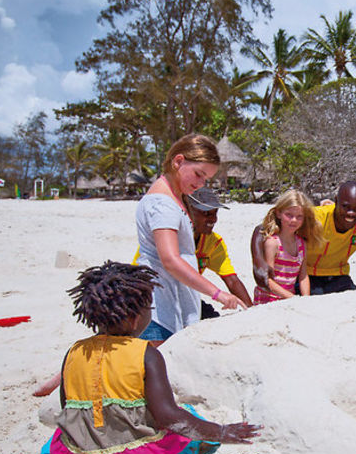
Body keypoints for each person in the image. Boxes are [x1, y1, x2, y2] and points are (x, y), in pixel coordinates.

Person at [0, 261, 260, 454]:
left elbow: (70, 411)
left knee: (58, 441)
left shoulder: (74, 351)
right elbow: (169, 417)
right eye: (148, 308)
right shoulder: (146, 355)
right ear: (133, 318)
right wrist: (222, 432)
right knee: (188, 426)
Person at [136, 134, 246, 344]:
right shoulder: (163, 204)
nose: (201, 183)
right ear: (178, 162)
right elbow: (170, 260)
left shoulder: (172, 197)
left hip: (170, 306)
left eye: (206, 179)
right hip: (160, 311)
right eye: (198, 174)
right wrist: (217, 294)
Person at [251, 180, 356, 295]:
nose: (351, 213)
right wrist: (259, 262)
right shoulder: (317, 217)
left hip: (338, 277)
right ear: (336, 201)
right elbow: (262, 228)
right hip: (307, 277)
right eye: (345, 206)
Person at [133, 186, 253, 318]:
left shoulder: (213, 242)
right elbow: (137, 276)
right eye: (206, 213)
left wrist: (251, 311)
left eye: (215, 213)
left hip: (185, 298)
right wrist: (218, 294)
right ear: (187, 211)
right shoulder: (166, 237)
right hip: (154, 298)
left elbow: (231, 280)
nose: (213, 219)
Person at [253, 189, 323, 304]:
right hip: (268, 299)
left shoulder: (301, 243)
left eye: (299, 216)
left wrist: (306, 299)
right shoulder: (273, 243)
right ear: (279, 213)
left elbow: (303, 275)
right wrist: (292, 298)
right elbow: (268, 279)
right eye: (289, 215)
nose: (294, 220)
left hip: (289, 299)